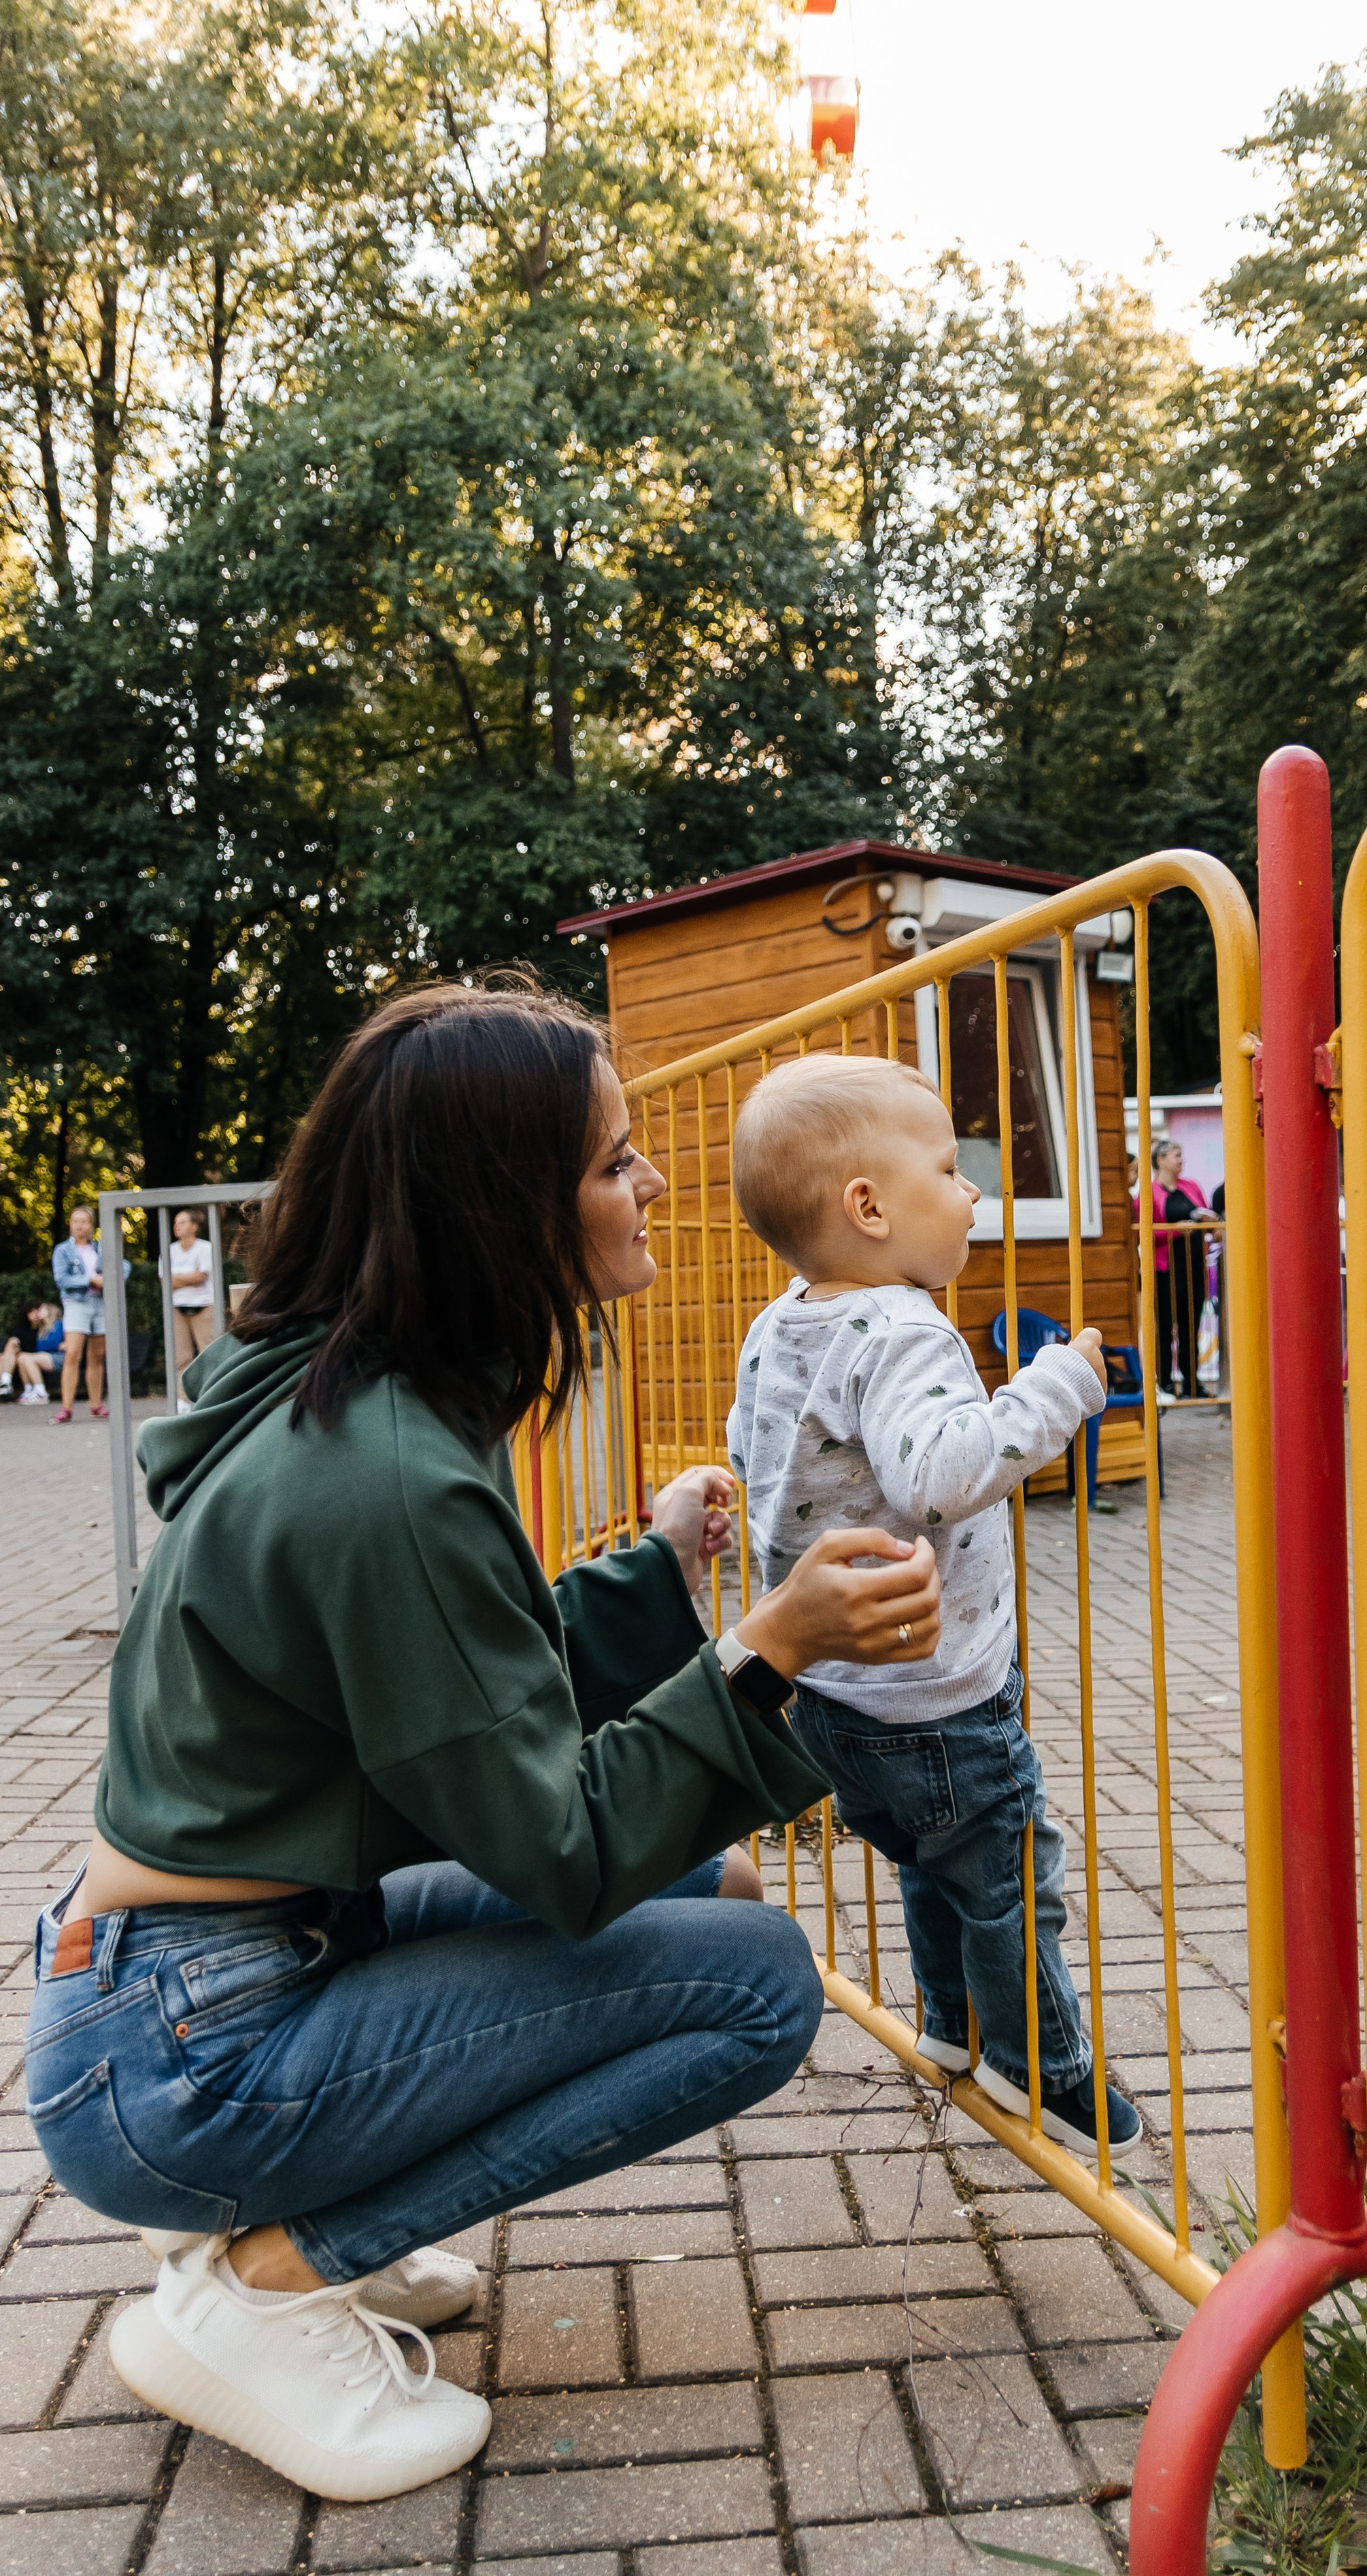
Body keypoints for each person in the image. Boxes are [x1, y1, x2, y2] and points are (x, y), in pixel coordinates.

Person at [26, 979, 943, 2506]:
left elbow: (459, 1706)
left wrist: (658, 1573)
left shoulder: (349, 1396)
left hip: (179, 1985)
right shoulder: (385, 1472)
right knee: (756, 1985)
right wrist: (771, 1649)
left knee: (712, 1892)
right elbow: (563, 1847)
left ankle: (301, 2231)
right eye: (613, 1160)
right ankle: (268, 2283)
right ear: (498, 1206)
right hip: (185, 2057)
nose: (653, 1181)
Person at [727, 1053, 1142, 2163]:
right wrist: (1059, 1386)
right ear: (868, 1208)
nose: (972, 1193)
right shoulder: (904, 1327)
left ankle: (952, 2028)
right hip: (935, 1693)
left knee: (926, 1859)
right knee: (1007, 1875)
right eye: (951, 1169)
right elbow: (942, 1476)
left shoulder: (781, 1326)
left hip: (830, 1691)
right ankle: (1040, 2066)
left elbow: (753, 1457)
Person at [1138, 1140, 1214, 1400]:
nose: (1182, 1160)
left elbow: (1205, 1214)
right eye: (1176, 1155)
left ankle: (1192, 1383)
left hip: (1194, 1266)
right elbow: (1144, 1233)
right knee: (1165, 1327)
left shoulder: (1191, 1186)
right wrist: (1175, 1231)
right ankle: (1166, 1383)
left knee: (1190, 1326)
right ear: (1160, 1160)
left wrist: (1210, 1224)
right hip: (1166, 1269)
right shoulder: (1149, 1193)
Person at [50, 1203, 126, 1424]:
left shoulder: (102, 1248)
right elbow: (62, 1279)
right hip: (76, 1304)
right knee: (73, 1353)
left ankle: (96, 1405)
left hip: (101, 1303)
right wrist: (90, 1280)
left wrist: (109, 1279)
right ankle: (66, 1408)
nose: (79, 1226)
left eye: (83, 1222)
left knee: (97, 1355)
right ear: (70, 1224)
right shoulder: (62, 1250)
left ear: (91, 1225)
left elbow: (124, 1266)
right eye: (75, 1221)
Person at [168, 1207, 217, 1410]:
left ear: (194, 1227)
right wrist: (190, 1277)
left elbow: (201, 1277)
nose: (177, 1227)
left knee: (209, 1354)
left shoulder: (205, 1248)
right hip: (177, 1308)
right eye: (175, 1223)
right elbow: (165, 1281)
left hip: (204, 1307)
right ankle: (183, 1401)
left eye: (182, 1222)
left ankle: (211, 1396)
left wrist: (177, 1279)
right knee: (181, 1357)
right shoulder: (170, 1250)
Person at [1, 1300, 64, 1402]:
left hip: (57, 1355)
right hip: (45, 1355)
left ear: (50, 1311)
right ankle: (28, 1389)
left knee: (26, 1358)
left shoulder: (58, 1324)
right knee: (21, 1357)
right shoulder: (43, 1329)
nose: (38, 1312)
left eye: (40, 1310)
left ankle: (41, 1392)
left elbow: (52, 1345)